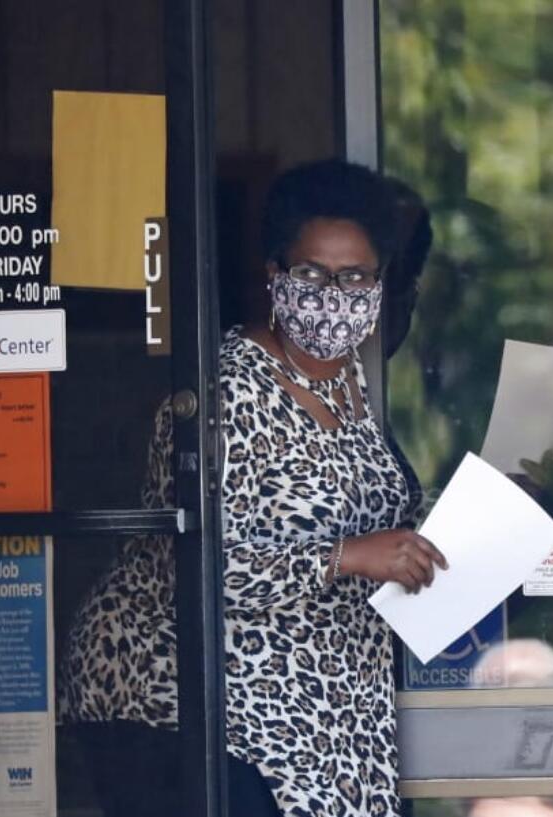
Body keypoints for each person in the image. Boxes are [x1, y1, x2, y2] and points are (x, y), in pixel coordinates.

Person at [61, 159, 447, 817]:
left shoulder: (350, 383)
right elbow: (202, 557)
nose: (334, 294)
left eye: (354, 276)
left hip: (315, 712)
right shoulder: (224, 392)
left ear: (380, 284)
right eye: (312, 274)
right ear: (275, 276)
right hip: (192, 712)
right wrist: (347, 555)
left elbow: (377, 515)